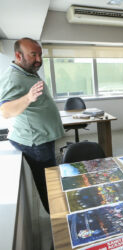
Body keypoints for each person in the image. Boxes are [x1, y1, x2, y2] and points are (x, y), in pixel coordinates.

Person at [0, 37, 64, 213]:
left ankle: (59, 214)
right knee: (49, 185)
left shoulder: (27, 71)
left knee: (51, 181)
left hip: (42, 138)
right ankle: (59, 221)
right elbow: (5, 110)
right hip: (36, 142)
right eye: (33, 54)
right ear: (18, 55)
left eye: (40, 54)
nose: (39, 60)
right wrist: (28, 98)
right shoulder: (13, 77)